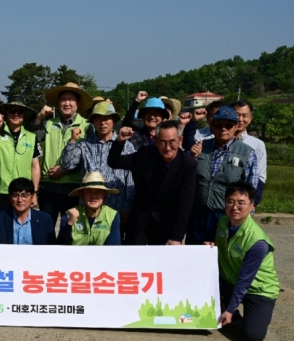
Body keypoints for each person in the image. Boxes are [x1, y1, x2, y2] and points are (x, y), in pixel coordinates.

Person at [210, 181, 279, 341]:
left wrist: (229, 309)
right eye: (230, 201)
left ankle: (243, 315)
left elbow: (245, 281)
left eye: (241, 203)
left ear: (251, 206)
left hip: (258, 289)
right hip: (231, 281)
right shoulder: (222, 223)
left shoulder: (257, 241)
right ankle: (234, 316)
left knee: (252, 337)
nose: (235, 207)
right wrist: (211, 247)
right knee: (205, 309)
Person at [108, 121, 197, 245]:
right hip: (140, 222)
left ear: (180, 140)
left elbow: (185, 203)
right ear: (155, 140)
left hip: (166, 225)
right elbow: (114, 162)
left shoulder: (188, 165)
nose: (167, 148)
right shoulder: (144, 154)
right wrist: (120, 141)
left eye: (172, 142)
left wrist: (176, 237)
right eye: (162, 142)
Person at [186, 106, 259, 245]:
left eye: (228, 125)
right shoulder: (200, 147)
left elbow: (251, 190)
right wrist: (192, 156)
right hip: (197, 214)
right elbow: (188, 178)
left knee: (222, 260)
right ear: (212, 126)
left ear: (235, 126)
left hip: (226, 216)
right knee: (194, 258)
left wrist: (243, 220)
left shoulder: (247, 153)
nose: (223, 128)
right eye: (219, 125)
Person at [59, 102, 135, 223]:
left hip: (117, 207)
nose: (102, 122)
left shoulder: (126, 145)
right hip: (88, 208)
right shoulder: (84, 145)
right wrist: (72, 141)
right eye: (98, 119)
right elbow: (67, 164)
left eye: (107, 119)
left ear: (114, 120)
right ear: (93, 122)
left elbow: (130, 178)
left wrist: (127, 207)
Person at [30, 82, 93, 225]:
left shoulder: (87, 126)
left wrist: (65, 169)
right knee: (46, 228)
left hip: (73, 188)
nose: (67, 103)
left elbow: (88, 158)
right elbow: (34, 143)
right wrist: (39, 117)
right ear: (58, 103)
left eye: (71, 99)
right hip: (48, 187)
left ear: (78, 103)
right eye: (63, 99)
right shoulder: (48, 124)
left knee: (69, 229)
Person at [0, 96, 42, 211]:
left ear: (25, 114)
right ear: (5, 113)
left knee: (19, 227)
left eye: (20, 111)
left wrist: (34, 192)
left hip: (22, 193)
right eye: (12, 110)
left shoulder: (31, 137)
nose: (16, 114)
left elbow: (35, 166)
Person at [0, 177, 56, 245]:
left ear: (32, 197)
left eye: (24, 195)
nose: (20, 200)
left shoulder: (45, 219)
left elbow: (51, 248)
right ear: (10, 197)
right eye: (15, 195)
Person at [58, 172, 121, 245]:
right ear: (82, 195)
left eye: (98, 192)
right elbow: (61, 247)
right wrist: (69, 224)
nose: (94, 196)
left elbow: (113, 248)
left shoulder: (113, 215)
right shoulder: (68, 215)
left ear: (104, 195)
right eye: (89, 192)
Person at [232, 100, 267, 206]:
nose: (240, 119)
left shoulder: (257, 144)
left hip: (242, 201)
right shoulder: (219, 140)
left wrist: (254, 202)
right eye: (237, 115)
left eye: (245, 116)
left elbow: (260, 176)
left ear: (250, 119)